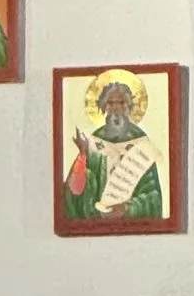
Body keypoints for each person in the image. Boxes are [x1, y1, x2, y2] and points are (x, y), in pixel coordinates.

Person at [66, 72, 166, 221]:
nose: (116, 109)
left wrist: (128, 209)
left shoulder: (140, 143)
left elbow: (153, 196)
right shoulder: (94, 142)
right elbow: (75, 192)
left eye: (122, 103)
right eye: (111, 103)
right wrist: (82, 158)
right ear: (104, 107)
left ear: (129, 107)